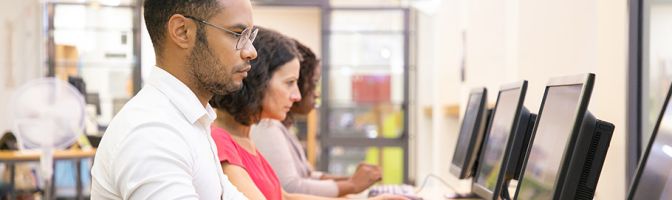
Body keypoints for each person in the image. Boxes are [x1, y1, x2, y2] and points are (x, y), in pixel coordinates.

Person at [209, 27, 406, 200]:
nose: (296, 95)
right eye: (289, 83)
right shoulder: (222, 141)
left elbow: (285, 197)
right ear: (258, 81)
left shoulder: (246, 139)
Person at [90, 0, 257, 199]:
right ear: (182, 31)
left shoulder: (188, 120)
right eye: (237, 34)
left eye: (250, 36)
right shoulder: (152, 131)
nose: (251, 51)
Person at [251, 40, 381, 197]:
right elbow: (291, 187)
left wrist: (352, 180)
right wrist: (351, 185)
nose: (297, 94)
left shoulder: (279, 126)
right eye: (313, 83)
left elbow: (306, 175)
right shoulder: (265, 126)